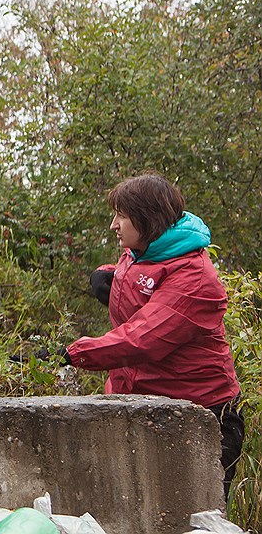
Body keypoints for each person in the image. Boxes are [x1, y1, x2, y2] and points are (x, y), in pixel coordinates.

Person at [64, 173, 244, 500]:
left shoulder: (195, 277)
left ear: (147, 219)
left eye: (121, 215)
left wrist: (74, 354)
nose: (113, 225)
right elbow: (144, 281)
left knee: (189, 517)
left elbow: (143, 337)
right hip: (141, 401)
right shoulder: (143, 250)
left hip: (201, 413)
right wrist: (108, 276)